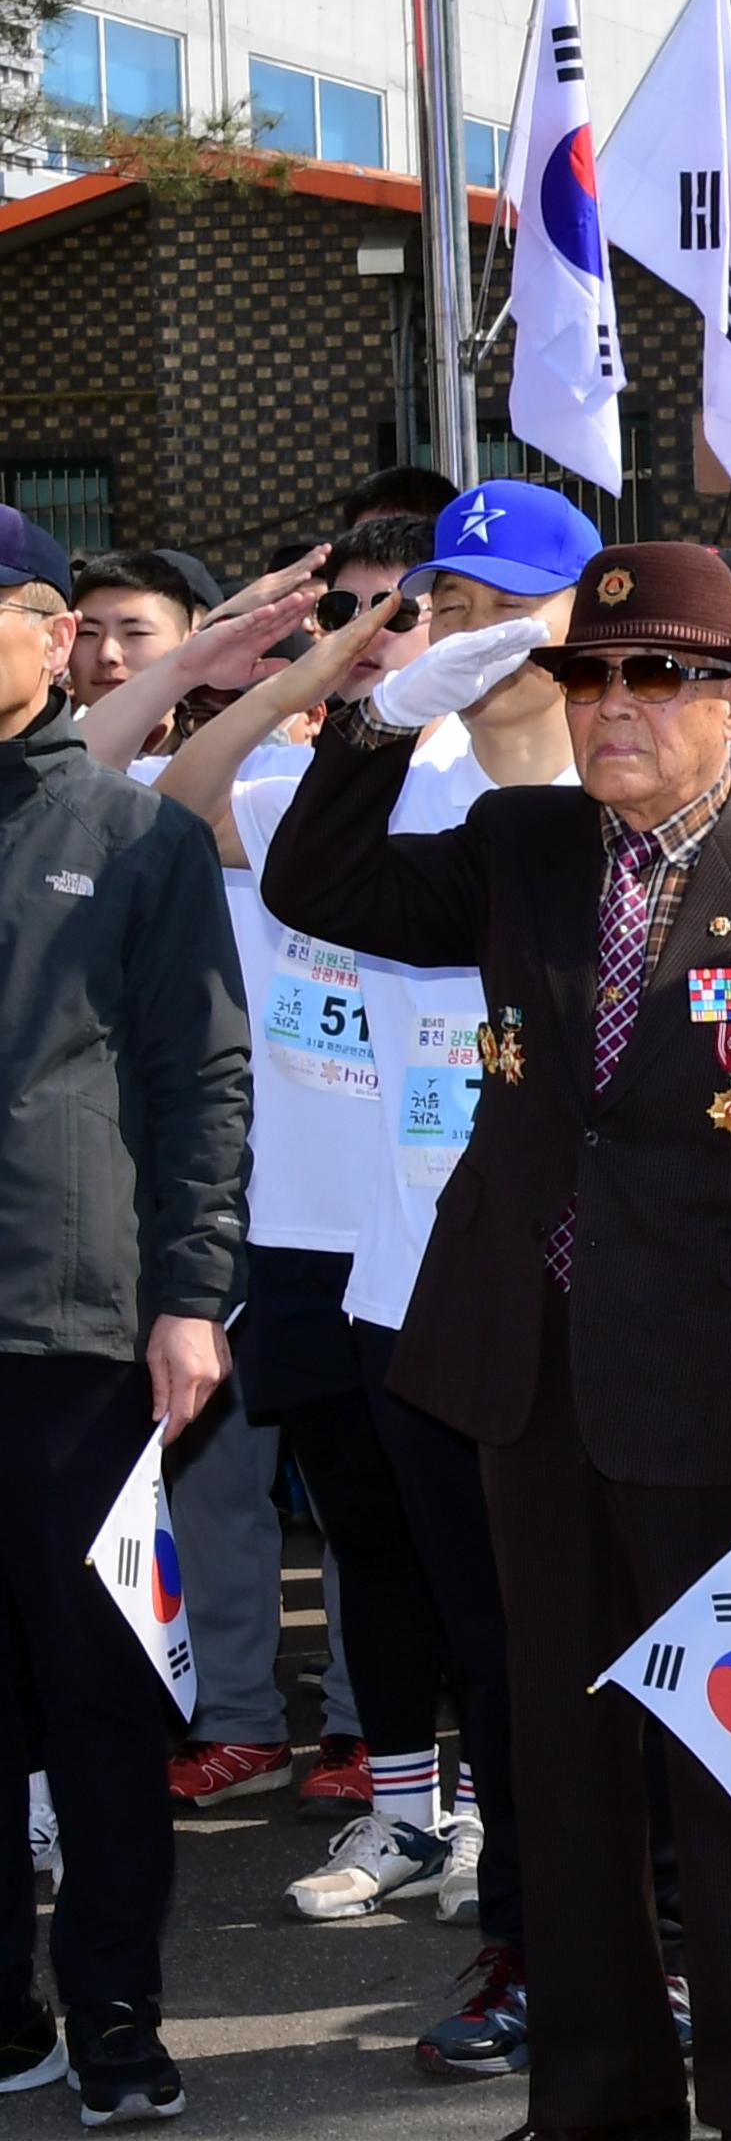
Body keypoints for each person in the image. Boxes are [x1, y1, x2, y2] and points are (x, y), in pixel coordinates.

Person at [262, 538, 731, 2141]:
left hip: (730, 1397)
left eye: (660, 677)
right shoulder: (522, 843)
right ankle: (598, 2104)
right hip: (530, 1380)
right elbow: (315, 888)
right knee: (561, 1780)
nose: (616, 706)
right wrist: (380, 711)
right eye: (592, 676)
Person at [161, 481, 595, 2071]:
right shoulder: (397, 809)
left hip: (608, 1295)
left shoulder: (647, 789)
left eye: (509, 603)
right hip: (412, 1282)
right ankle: (522, 1947)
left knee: (594, 1646)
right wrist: (344, 689)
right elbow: (230, 835)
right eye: (450, 600)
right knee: (479, 1631)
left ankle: (649, 1945)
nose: (474, 629)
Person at [0, 505, 250, 2125]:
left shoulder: (133, 831)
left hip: (74, 1339)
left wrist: (190, 1298)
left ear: (48, 634)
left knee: (99, 1700)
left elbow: (199, 1080)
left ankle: (113, 2015)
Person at [62, 546, 208, 721]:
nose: (107, 654)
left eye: (135, 633)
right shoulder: (40, 746)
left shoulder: (230, 746)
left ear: (189, 646)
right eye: (88, 633)